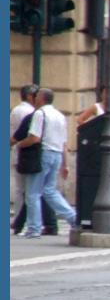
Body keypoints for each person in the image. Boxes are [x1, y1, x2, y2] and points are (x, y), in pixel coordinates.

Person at [14, 88, 77, 238]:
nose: (35, 99)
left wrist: (19, 144)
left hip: (43, 154)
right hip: (56, 155)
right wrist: (65, 164)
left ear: (41, 98)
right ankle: (73, 218)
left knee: (32, 194)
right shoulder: (60, 116)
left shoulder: (40, 114)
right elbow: (64, 143)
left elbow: (35, 138)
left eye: (36, 97)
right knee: (49, 191)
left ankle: (34, 229)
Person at [10, 84, 57, 236]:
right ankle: (39, 224)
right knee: (34, 192)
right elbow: (28, 135)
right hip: (32, 156)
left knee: (30, 192)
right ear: (30, 96)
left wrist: (17, 144)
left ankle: (24, 223)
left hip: (30, 156)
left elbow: (20, 136)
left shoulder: (24, 111)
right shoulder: (32, 113)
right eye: (35, 95)